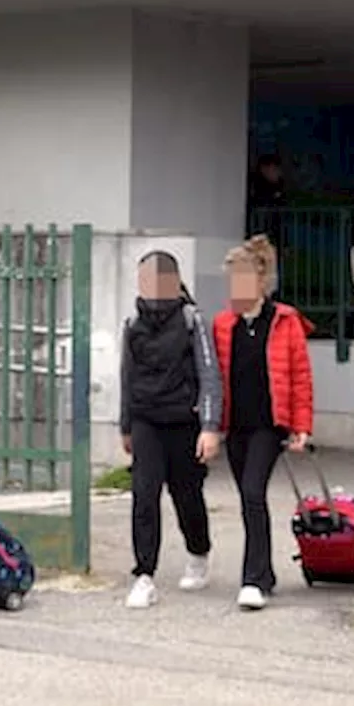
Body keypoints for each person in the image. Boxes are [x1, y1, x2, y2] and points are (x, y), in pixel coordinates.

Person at [212, 235, 313, 611]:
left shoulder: (285, 321)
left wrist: (302, 427)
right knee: (248, 500)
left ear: (260, 280)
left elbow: (300, 376)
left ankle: (252, 579)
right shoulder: (223, 324)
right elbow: (214, 375)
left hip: (269, 425)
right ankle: (265, 572)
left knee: (254, 493)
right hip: (235, 425)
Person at [120, 251, 223, 610]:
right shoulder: (133, 323)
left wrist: (209, 427)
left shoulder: (193, 321)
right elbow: (127, 375)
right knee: (144, 496)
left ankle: (198, 551)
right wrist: (126, 425)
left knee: (186, 495)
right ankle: (144, 574)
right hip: (146, 419)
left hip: (183, 420)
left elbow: (210, 376)